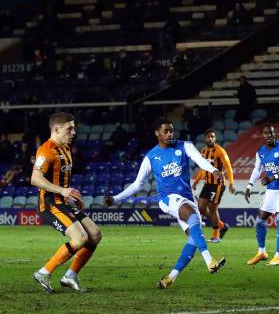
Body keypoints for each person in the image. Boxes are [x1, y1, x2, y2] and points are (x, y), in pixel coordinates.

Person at [104, 119, 226, 289]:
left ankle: (170, 278)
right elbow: (138, 184)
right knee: (192, 216)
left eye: (171, 131)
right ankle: (210, 260)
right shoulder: (151, 157)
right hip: (168, 199)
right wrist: (116, 199)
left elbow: (200, 161)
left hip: (187, 198)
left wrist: (213, 170)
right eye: (166, 131)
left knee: (193, 237)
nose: (170, 134)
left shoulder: (184, 146)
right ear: (157, 133)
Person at [31, 112, 103, 293]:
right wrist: (62, 191)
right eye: (69, 128)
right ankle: (43, 272)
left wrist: (70, 196)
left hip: (64, 202)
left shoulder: (65, 148)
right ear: (56, 129)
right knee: (80, 239)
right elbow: (35, 178)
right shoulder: (46, 150)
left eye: (74, 128)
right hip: (49, 204)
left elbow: (61, 180)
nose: (74, 132)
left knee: (94, 235)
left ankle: (70, 276)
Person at [244, 124, 279, 266]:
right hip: (271, 190)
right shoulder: (261, 152)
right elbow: (256, 169)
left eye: (271, 133)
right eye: (266, 133)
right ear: (262, 135)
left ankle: (278, 256)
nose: (269, 135)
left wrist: (274, 177)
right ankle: (262, 252)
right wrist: (249, 185)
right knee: (260, 221)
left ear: (275, 134)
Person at [192, 129, 235, 242]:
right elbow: (203, 169)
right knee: (200, 209)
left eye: (213, 136)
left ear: (215, 138)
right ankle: (222, 225)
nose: (210, 138)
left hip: (218, 184)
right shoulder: (204, 151)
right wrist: (196, 181)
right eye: (208, 137)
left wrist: (231, 182)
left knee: (212, 208)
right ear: (205, 138)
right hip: (208, 184)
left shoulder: (220, 151)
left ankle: (216, 234)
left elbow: (228, 166)